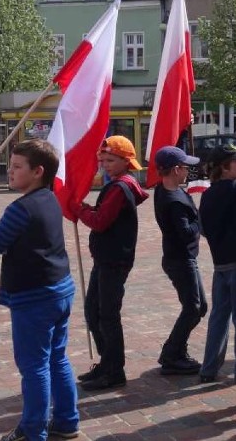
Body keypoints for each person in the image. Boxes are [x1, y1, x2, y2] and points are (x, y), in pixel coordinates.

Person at [0, 140, 79, 441]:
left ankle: (32, 431)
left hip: (35, 296)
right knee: (57, 358)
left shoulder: (21, 208)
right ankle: (67, 421)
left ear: (38, 171)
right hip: (60, 289)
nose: (10, 172)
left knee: (34, 367)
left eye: (17, 167)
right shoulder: (49, 198)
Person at [74, 136, 148, 391]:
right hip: (107, 258)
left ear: (126, 161)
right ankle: (107, 363)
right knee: (93, 312)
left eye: (111, 160)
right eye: (102, 160)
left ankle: (114, 369)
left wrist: (79, 208)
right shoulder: (118, 184)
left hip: (113, 260)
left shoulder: (119, 188)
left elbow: (100, 221)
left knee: (106, 315)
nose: (105, 164)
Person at [198, 144, 236, 384]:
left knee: (219, 317)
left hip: (220, 262)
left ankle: (209, 367)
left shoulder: (208, 193)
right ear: (224, 167)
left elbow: (202, 228)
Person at [154, 146, 208, 374]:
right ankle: (172, 354)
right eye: (185, 167)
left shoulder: (164, 190)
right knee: (194, 307)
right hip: (181, 259)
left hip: (180, 258)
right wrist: (200, 219)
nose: (188, 171)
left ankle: (176, 350)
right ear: (176, 170)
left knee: (199, 306)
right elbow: (186, 232)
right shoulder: (174, 201)